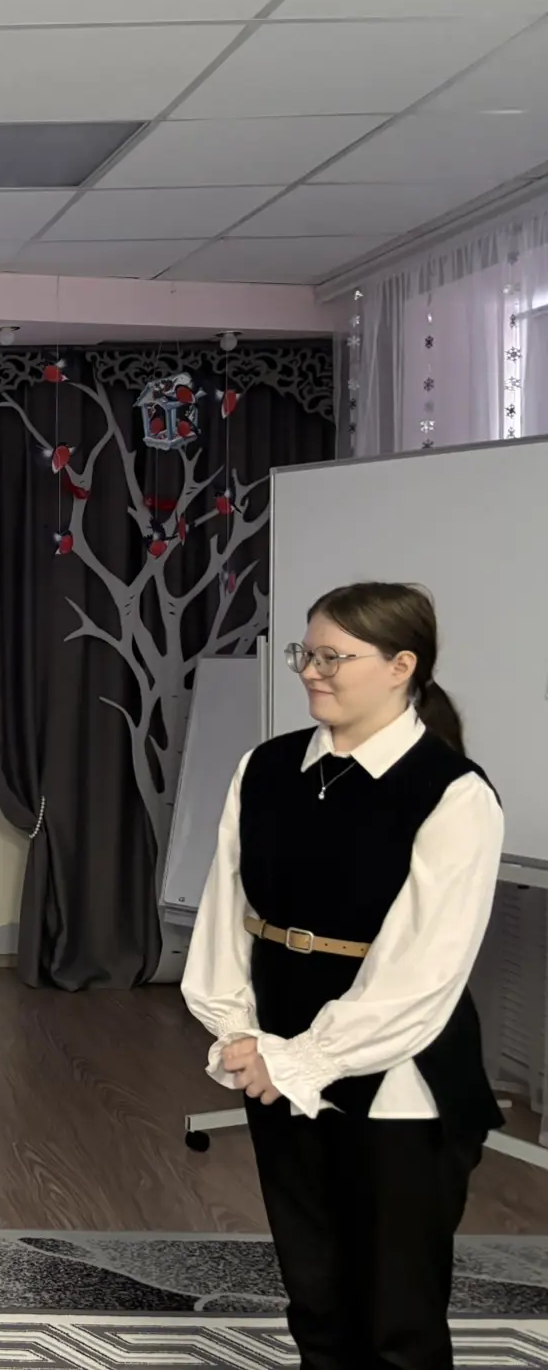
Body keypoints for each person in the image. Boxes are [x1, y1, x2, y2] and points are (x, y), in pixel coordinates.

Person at [182, 581, 505, 1370]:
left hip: (402, 1084)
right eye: (307, 652)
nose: (310, 671)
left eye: (334, 657)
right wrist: (239, 1034)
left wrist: (303, 1060)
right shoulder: (264, 768)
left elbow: (422, 973)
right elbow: (227, 913)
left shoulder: (454, 793)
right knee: (317, 1301)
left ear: (402, 666)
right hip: (272, 1063)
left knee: (397, 1319)